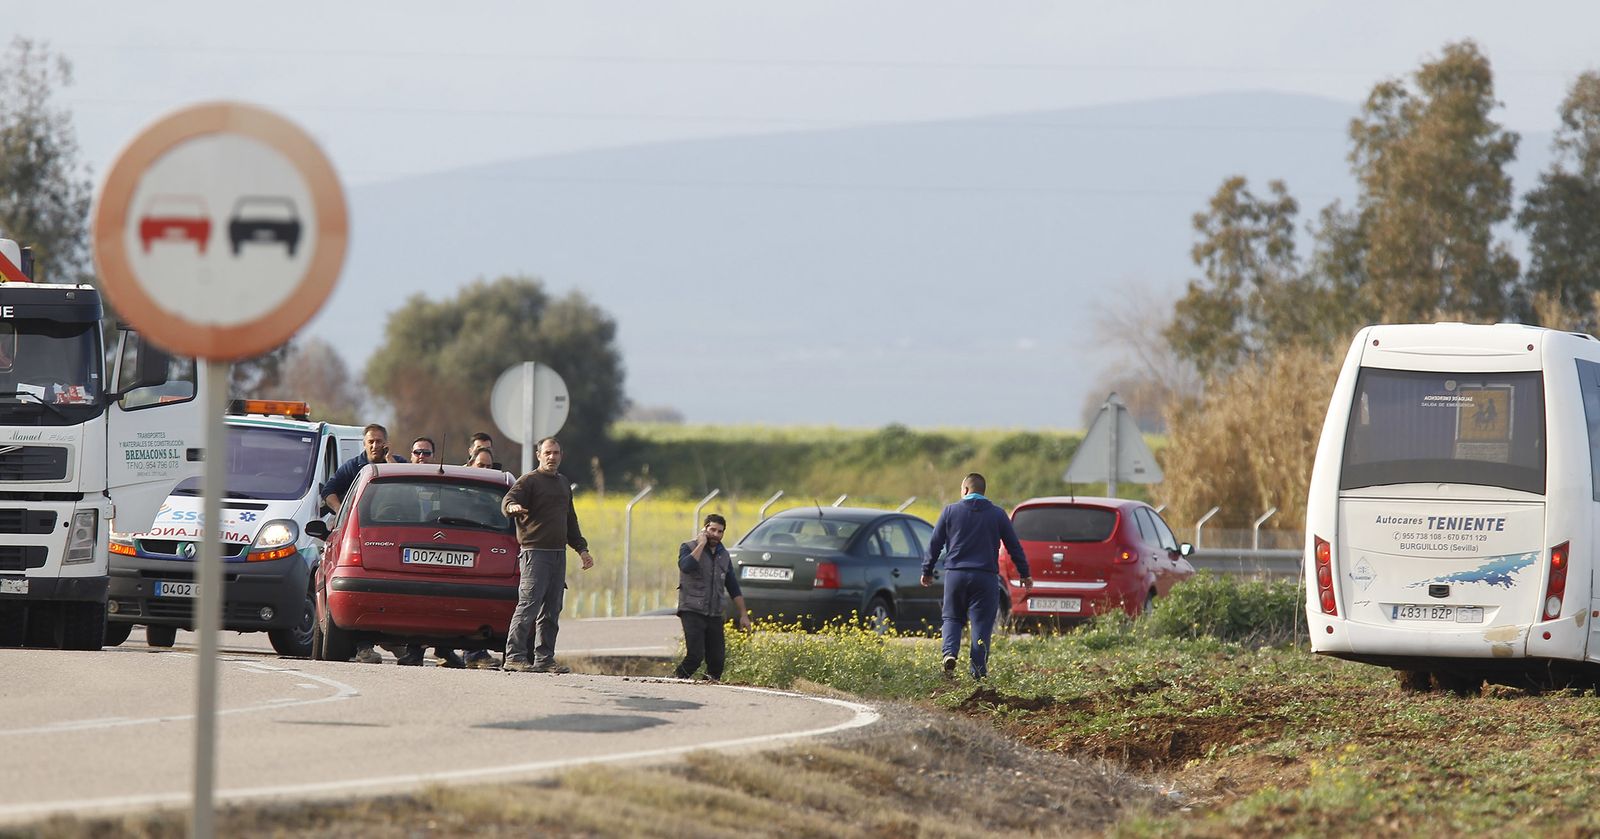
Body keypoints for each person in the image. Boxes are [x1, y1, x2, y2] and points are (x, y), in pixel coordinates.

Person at [920, 472, 1032, 680]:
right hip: (985, 577)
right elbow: (1013, 547)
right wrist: (1025, 573)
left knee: (952, 617)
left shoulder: (950, 511)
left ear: (965, 490)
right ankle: (978, 671)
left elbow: (935, 544)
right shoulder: (998, 515)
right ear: (983, 491)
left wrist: (927, 570)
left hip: (956, 574)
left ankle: (950, 653)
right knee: (981, 623)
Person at [500, 436, 594, 673]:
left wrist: (582, 549)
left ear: (561, 455)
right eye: (548, 453)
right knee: (529, 605)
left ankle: (545, 658)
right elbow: (509, 500)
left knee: (552, 610)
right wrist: (512, 508)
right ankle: (514, 656)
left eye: (556, 453)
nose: (552, 457)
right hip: (535, 553)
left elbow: (570, 520)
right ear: (539, 455)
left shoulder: (563, 483)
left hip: (557, 554)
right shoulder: (529, 481)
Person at [322, 424, 408, 665]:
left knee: (393, 593)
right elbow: (329, 491)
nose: (375, 446)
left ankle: (396, 643)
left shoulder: (397, 462)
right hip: (365, 535)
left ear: (386, 442)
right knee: (365, 593)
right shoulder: (353, 467)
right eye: (371, 441)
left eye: (379, 441)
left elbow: (404, 486)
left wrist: (389, 460)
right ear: (364, 443)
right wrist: (343, 512)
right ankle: (364, 647)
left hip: (396, 535)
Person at [406, 437, 467, 669]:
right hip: (412, 552)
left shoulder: (445, 485)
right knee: (416, 602)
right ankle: (414, 652)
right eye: (417, 452)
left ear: (434, 455)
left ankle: (444, 649)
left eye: (426, 453)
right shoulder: (402, 483)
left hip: (442, 551)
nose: (422, 457)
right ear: (410, 455)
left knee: (444, 602)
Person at [675, 513, 751, 681]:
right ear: (705, 529)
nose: (716, 534)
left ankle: (709, 693)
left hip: (715, 612)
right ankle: (674, 682)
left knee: (717, 661)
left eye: (720, 531)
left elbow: (732, 586)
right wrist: (701, 544)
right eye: (712, 530)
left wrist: (743, 614)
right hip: (692, 609)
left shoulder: (724, 555)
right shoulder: (688, 547)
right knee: (695, 657)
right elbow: (685, 566)